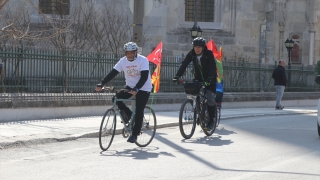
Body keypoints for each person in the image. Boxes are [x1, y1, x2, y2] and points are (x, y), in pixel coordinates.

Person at [95, 42, 152, 143]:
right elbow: (113, 73)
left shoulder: (143, 60)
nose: (129, 55)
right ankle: (130, 117)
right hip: (130, 86)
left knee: (139, 110)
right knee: (116, 99)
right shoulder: (123, 61)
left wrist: (137, 88)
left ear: (136, 52)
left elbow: (144, 77)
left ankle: (135, 134)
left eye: (131, 53)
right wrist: (101, 83)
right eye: (127, 53)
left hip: (143, 88)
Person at [173, 37, 217, 129]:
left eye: (199, 47)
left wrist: (209, 80)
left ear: (203, 47)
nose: (197, 49)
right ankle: (199, 110)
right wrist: (177, 76)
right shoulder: (192, 54)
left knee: (210, 99)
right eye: (195, 47)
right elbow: (184, 65)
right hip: (198, 78)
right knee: (194, 93)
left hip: (210, 79)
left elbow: (212, 68)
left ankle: (211, 121)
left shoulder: (208, 54)